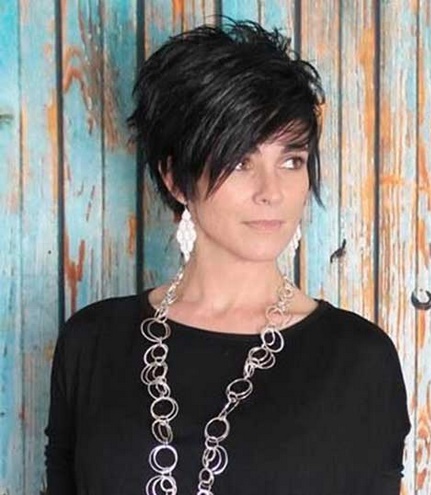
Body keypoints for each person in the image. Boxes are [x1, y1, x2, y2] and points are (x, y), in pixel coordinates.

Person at [45, 20, 411, 495]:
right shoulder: (92, 343)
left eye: (292, 161)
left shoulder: (360, 360)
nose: (271, 191)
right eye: (240, 161)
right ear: (176, 179)